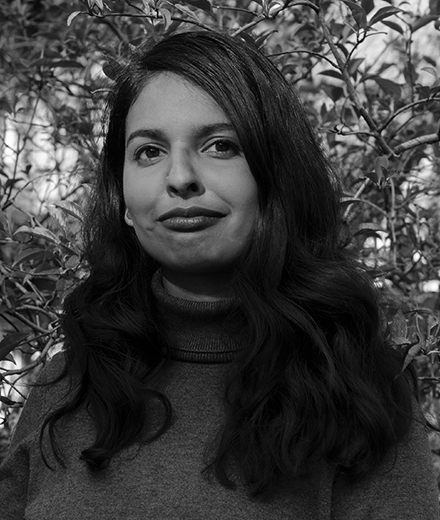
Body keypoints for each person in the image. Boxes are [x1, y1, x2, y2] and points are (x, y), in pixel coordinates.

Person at [0, 30, 439, 519]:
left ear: (276, 178)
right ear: (122, 199)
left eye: (220, 146)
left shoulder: (363, 395)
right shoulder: (62, 390)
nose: (180, 177)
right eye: (149, 151)